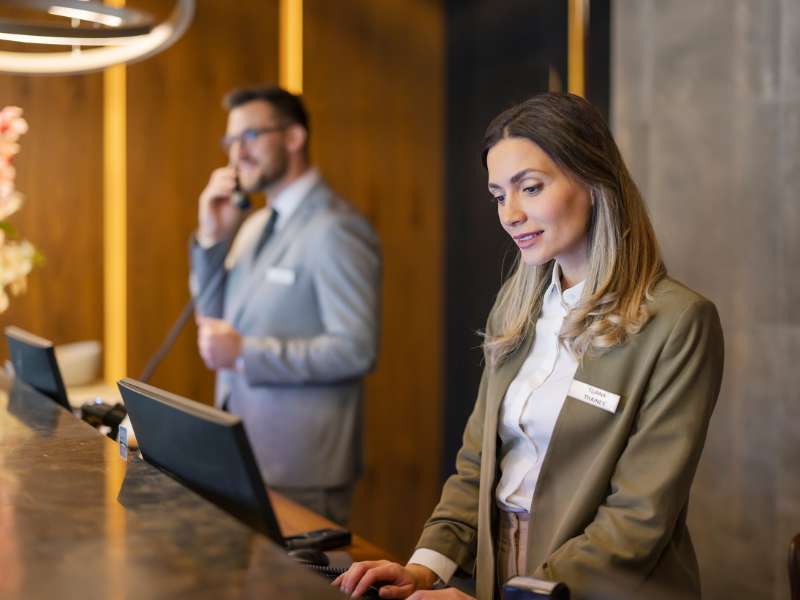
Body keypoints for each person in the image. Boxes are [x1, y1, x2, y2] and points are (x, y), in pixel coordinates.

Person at [334, 93, 723, 599]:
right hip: (504, 569)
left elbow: (638, 518)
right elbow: (477, 464)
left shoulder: (679, 321)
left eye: (531, 188)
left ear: (594, 179)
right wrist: (426, 568)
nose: (510, 214)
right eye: (498, 195)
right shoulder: (514, 308)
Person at [190, 85, 381, 525]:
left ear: (294, 137)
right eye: (230, 141)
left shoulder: (336, 227)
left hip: (301, 470)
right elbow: (212, 320)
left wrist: (246, 353)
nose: (237, 153)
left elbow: (355, 349)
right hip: (241, 455)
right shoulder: (253, 224)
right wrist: (212, 237)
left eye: (250, 136)